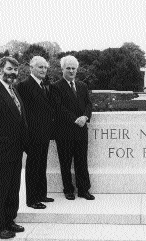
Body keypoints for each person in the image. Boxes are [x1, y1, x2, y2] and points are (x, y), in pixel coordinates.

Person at [0, 56, 28, 239]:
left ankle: (9, 220)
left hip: (16, 150)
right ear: (0, 70)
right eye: (9, 69)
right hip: (1, 150)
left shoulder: (13, 90)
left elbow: (19, 119)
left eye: (15, 70)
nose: (13, 73)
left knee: (13, 188)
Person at [16, 56, 56, 209]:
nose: (43, 70)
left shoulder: (42, 85)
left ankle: (41, 194)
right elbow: (22, 113)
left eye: (45, 68)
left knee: (41, 164)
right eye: (40, 67)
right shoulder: (24, 86)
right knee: (33, 166)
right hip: (32, 135)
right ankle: (32, 200)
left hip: (44, 134)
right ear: (31, 68)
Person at [53, 55, 94, 200]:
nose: (71, 71)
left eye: (73, 68)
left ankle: (84, 190)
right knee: (65, 162)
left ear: (77, 70)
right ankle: (68, 190)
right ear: (62, 69)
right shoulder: (56, 87)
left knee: (82, 161)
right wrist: (75, 119)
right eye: (68, 68)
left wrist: (85, 117)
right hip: (64, 131)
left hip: (81, 130)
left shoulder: (82, 86)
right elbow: (58, 108)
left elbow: (89, 104)